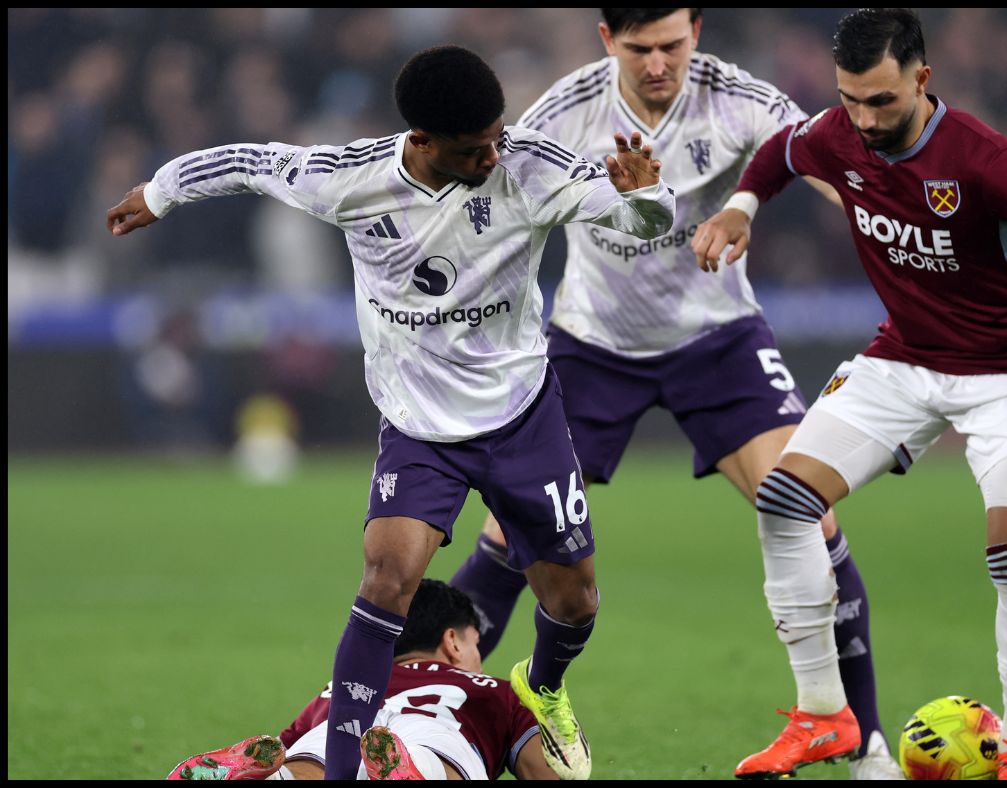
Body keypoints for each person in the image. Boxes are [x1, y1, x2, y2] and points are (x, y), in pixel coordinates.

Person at [108, 45, 675, 781]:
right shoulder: (352, 178)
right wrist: (161, 192)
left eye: (496, 138)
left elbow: (642, 222)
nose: (492, 157)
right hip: (418, 428)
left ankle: (544, 685)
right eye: (473, 150)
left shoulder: (530, 167)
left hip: (522, 417)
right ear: (423, 140)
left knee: (575, 603)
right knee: (386, 580)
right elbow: (250, 162)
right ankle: (343, 769)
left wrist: (648, 196)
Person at [692, 8, 1007, 781]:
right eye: (851, 100)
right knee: (784, 500)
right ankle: (824, 714)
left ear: (922, 79)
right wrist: (741, 207)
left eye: (882, 101)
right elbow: (781, 153)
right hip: (904, 358)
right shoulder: (837, 132)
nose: (866, 120)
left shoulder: (988, 162)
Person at [444, 8, 899, 779]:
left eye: (672, 45)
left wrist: (893, 207)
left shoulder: (739, 100)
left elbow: (831, 164)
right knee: (511, 533)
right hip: (592, 346)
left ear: (697, 30)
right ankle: (432, 722)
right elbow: (489, 200)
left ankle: (867, 744)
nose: (658, 63)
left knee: (807, 509)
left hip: (717, 340)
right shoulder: (564, 113)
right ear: (606, 40)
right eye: (639, 48)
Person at [166, 580, 560, 780]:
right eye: (476, 644)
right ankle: (415, 770)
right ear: (453, 641)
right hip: (436, 731)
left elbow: (279, 748)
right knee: (436, 761)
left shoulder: (343, 686)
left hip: (342, 725)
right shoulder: (493, 692)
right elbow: (543, 772)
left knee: (306, 765)